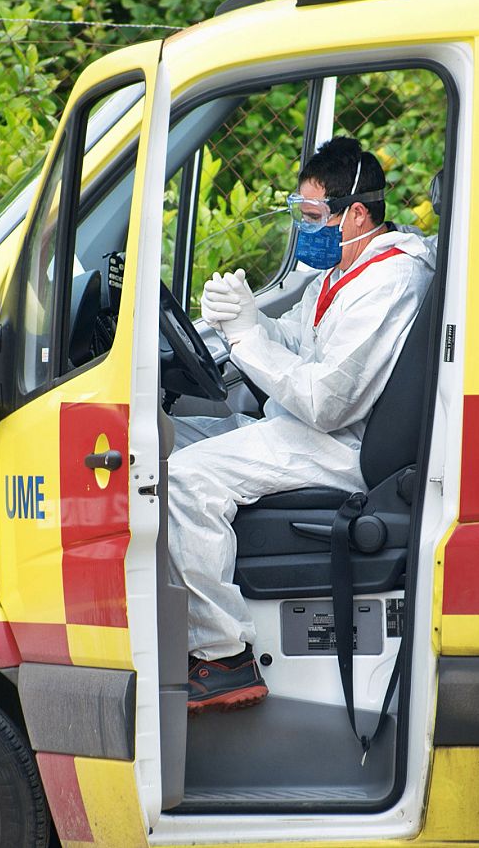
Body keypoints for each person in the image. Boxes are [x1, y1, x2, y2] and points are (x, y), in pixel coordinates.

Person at [169, 137, 435, 713]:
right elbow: (300, 340)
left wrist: (245, 338)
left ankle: (222, 657)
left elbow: (326, 401)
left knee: (185, 480)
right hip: (308, 427)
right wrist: (243, 315)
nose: (304, 230)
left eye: (314, 217)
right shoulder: (342, 269)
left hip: (338, 444)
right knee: (159, 443)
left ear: (355, 214)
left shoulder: (389, 283)